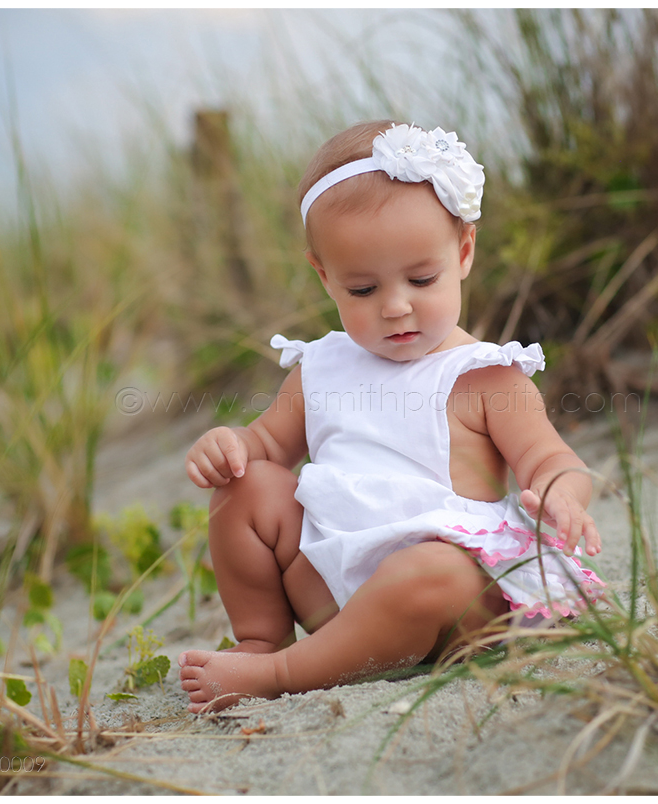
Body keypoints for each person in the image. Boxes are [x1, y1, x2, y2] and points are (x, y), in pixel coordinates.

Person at [178, 120, 603, 713]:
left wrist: (560, 493)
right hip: (333, 586)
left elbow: (549, 458)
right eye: (362, 290)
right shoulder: (320, 366)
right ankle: (263, 636)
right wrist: (230, 445)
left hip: (450, 602)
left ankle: (281, 673)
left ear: (463, 252)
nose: (396, 305)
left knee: (429, 570)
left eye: (421, 278)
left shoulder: (484, 375)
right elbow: (265, 446)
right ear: (324, 277)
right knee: (243, 486)